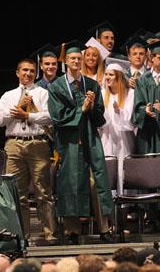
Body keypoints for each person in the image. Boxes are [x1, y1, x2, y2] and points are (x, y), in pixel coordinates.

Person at [48, 40, 113, 244]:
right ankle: (72, 231)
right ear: (66, 61)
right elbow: (57, 116)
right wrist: (81, 110)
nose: (76, 61)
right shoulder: (56, 86)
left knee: (97, 183)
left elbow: (100, 116)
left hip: (90, 139)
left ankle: (104, 228)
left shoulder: (91, 84)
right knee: (71, 183)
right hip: (69, 142)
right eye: (72, 58)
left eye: (79, 58)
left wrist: (92, 106)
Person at [0, 58, 57, 243]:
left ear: (35, 74)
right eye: (24, 70)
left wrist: (28, 115)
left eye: (31, 71)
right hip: (14, 144)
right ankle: (22, 235)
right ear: (17, 72)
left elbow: (50, 118)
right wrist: (18, 108)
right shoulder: (8, 95)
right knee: (17, 193)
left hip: (37, 143)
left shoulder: (43, 93)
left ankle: (50, 234)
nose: (28, 74)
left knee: (43, 192)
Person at [98, 60, 135, 194]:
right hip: (106, 138)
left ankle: (125, 208)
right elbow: (100, 119)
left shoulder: (129, 93)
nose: (107, 77)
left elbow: (130, 121)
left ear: (119, 76)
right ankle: (108, 208)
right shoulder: (102, 94)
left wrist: (119, 112)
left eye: (111, 75)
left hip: (124, 139)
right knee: (108, 171)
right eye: (106, 74)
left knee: (122, 171)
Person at [133, 40, 160, 154]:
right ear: (152, 58)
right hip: (147, 131)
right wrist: (144, 110)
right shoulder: (142, 80)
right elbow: (138, 104)